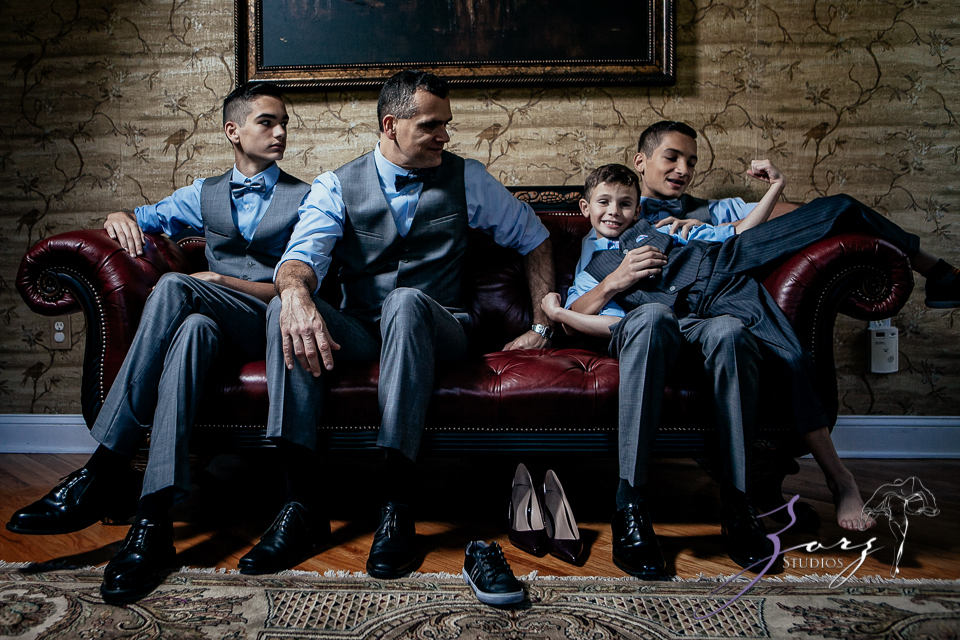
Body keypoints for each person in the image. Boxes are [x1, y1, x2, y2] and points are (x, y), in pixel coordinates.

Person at [237, 69, 556, 580]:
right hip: (363, 331)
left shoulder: (468, 177)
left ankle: (397, 504)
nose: (444, 136)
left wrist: (542, 326)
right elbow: (300, 258)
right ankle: (301, 506)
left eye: (445, 124)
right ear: (391, 125)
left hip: (440, 328)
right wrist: (293, 293)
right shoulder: (336, 185)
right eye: (432, 125)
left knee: (406, 301)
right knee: (282, 308)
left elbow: (535, 237)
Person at [6, 82, 311, 603]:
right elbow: (139, 217)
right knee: (190, 331)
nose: (280, 131)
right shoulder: (202, 193)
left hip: (269, 317)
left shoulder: (308, 197)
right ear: (233, 131)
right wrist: (119, 216)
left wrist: (223, 282)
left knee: (173, 286)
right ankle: (153, 525)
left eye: (284, 122)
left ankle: (104, 465)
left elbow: (301, 287)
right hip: (215, 327)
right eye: (267, 121)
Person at [551, 163, 878, 541]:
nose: (614, 211)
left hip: (717, 305)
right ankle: (632, 502)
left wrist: (766, 193)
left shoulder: (666, 227)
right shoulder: (593, 262)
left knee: (753, 340)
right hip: (661, 330)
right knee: (654, 318)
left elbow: (737, 232)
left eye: (625, 204)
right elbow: (592, 317)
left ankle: (741, 502)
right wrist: (589, 296)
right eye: (604, 202)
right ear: (585, 208)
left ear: (638, 209)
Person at [631, 121, 960, 308]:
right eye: (672, 158)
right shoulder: (617, 211)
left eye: (691, 162)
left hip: (740, 289)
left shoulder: (714, 209)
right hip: (688, 300)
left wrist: (718, 227)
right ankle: (941, 274)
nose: (683, 169)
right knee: (841, 207)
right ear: (640, 162)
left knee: (840, 208)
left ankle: (941, 275)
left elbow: (805, 216)